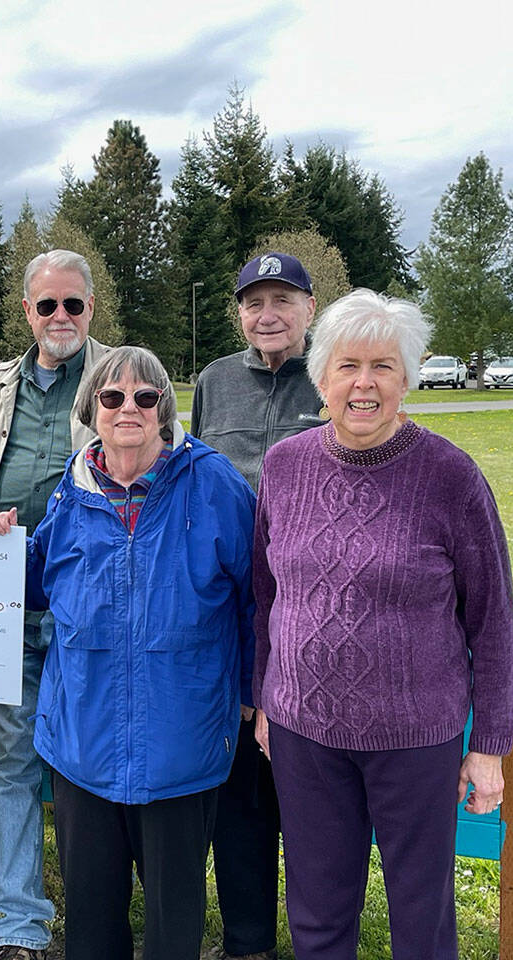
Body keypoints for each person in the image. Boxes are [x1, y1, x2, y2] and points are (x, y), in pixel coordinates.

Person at [252, 289, 513, 959]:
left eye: (383, 367)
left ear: (407, 379)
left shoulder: (450, 476)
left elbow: (491, 620)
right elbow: (266, 594)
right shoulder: (284, 467)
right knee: (316, 912)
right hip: (302, 731)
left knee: (421, 918)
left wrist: (489, 747)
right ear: (322, 377)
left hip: (415, 738)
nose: (364, 384)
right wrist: (264, 701)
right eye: (348, 366)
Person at [0, 346, 257, 960]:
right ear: (92, 410)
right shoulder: (73, 489)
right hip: (84, 737)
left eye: (145, 396)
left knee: (173, 918)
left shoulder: (215, 484)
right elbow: (37, 582)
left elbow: (254, 598)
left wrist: (250, 691)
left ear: (165, 409)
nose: (128, 408)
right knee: (91, 916)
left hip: (182, 738)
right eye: (112, 397)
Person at [0, 249, 111, 960]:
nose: (60, 316)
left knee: (93, 758)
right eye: (46, 304)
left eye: (72, 304)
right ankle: (18, 923)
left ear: (91, 307)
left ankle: (99, 912)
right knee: (12, 760)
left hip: (93, 604)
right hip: (8, 604)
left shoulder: (120, 379)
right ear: (27, 310)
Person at [190, 250, 324, 960]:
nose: (267, 315)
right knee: (240, 782)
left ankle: (319, 936)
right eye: (253, 303)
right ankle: (248, 942)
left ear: (310, 308)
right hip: (230, 608)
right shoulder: (214, 381)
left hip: (311, 606)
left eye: (282, 301)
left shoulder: (334, 376)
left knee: (306, 788)